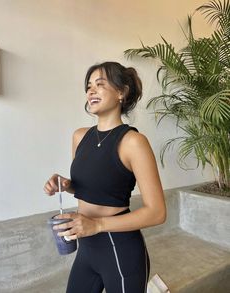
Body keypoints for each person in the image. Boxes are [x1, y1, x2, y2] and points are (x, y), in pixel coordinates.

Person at [44, 61, 166, 293]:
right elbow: (92, 186)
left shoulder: (133, 142)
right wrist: (66, 184)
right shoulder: (80, 137)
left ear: (122, 92)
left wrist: (97, 224)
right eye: (88, 86)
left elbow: (157, 212)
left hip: (121, 252)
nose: (91, 91)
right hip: (87, 249)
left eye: (99, 85)